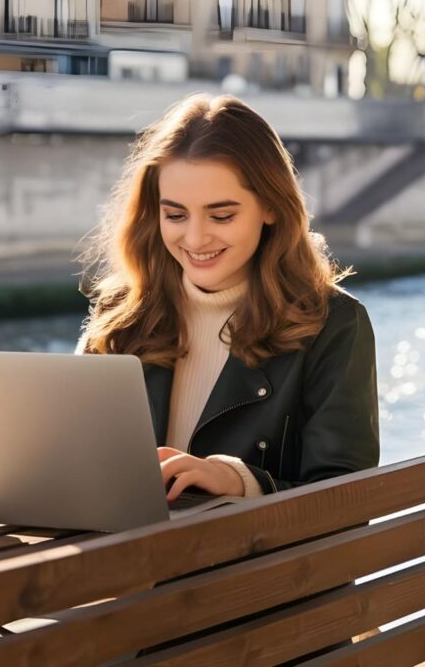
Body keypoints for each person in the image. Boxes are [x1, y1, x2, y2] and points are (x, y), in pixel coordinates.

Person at [75, 92, 379, 504]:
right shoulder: (119, 313)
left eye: (222, 215)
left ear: (271, 207)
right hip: (126, 559)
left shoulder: (335, 325)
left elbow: (348, 500)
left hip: (259, 566)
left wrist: (239, 482)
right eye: (175, 215)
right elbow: (70, 458)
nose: (196, 239)